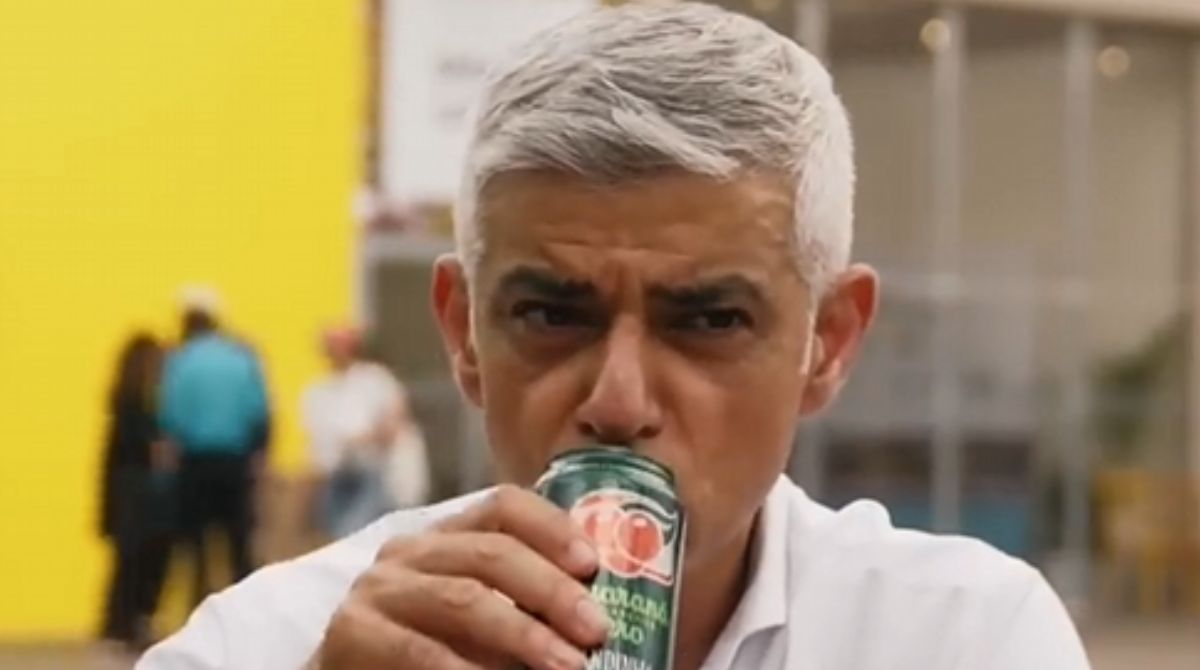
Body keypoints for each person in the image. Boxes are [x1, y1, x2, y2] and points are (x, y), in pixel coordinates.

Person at [140, 4, 1092, 669]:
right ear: (463, 332)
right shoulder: (268, 643)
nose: (619, 402)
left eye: (710, 321)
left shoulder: (959, 640)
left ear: (829, 343)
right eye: (552, 316)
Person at [158, 295, 271, 609]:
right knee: (239, 543)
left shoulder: (180, 361)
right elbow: (259, 412)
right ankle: (247, 610)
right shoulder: (241, 357)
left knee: (196, 546)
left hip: (195, 463)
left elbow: (171, 416)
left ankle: (199, 609)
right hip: (236, 461)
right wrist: (259, 454)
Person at [302, 326, 430, 539]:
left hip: (375, 472)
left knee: (355, 530)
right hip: (339, 474)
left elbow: (396, 418)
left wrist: (365, 440)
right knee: (338, 534)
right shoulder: (319, 391)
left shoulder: (375, 379)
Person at [99, 333, 174, 653]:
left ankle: (124, 624)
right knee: (136, 561)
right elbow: (149, 450)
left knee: (132, 561)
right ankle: (128, 623)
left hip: (129, 495)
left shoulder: (125, 403)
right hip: (138, 496)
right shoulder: (138, 407)